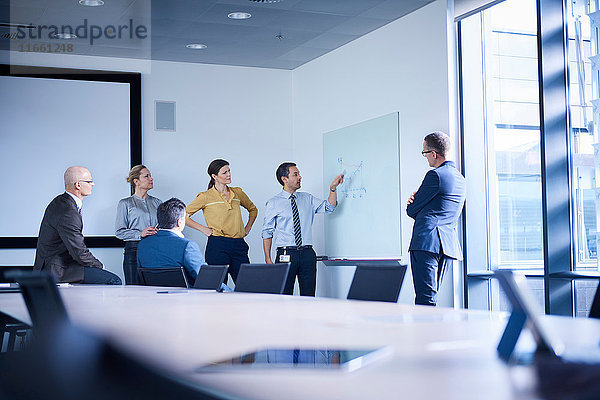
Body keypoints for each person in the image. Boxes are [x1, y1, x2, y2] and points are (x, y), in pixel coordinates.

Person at [262, 162, 344, 296]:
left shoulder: (307, 198)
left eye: (299, 174)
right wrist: (267, 258)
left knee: (309, 295)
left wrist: (333, 189)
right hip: (286, 254)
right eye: (295, 174)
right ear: (284, 179)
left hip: (307, 254)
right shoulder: (274, 203)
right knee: (284, 295)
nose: (300, 177)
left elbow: (329, 207)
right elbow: (267, 231)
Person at [33, 166, 122, 284]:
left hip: (59, 265)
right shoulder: (67, 211)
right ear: (78, 185)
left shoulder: (61, 201)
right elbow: (78, 250)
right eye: (89, 181)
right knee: (113, 280)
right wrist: (99, 266)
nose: (93, 184)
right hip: (58, 270)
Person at [406, 131, 466, 306]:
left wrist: (414, 202)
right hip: (446, 245)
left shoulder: (435, 175)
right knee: (432, 296)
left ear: (434, 154)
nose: (425, 157)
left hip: (426, 243)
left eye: (425, 153)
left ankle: (427, 333)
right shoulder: (460, 179)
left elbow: (412, 209)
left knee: (425, 298)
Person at [186, 159, 258, 284]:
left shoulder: (237, 193)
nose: (229, 174)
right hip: (218, 245)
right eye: (224, 172)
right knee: (217, 286)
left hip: (239, 245)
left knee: (247, 285)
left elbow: (253, 209)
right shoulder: (205, 196)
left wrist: (247, 228)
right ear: (214, 176)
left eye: (229, 171)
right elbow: (183, 216)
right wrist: (204, 229)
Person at [137, 198, 207, 285]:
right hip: (185, 297)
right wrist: (229, 292)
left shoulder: (143, 245)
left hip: (153, 296)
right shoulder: (187, 246)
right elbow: (206, 279)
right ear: (179, 222)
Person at [115, 165, 162, 285]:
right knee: (133, 290)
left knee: (154, 289)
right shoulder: (125, 203)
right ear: (136, 181)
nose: (151, 179)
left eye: (150, 176)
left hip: (154, 250)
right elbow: (119, 232)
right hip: (134, 252)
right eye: (146, 176)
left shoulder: (158, 203)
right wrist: (140, 234)